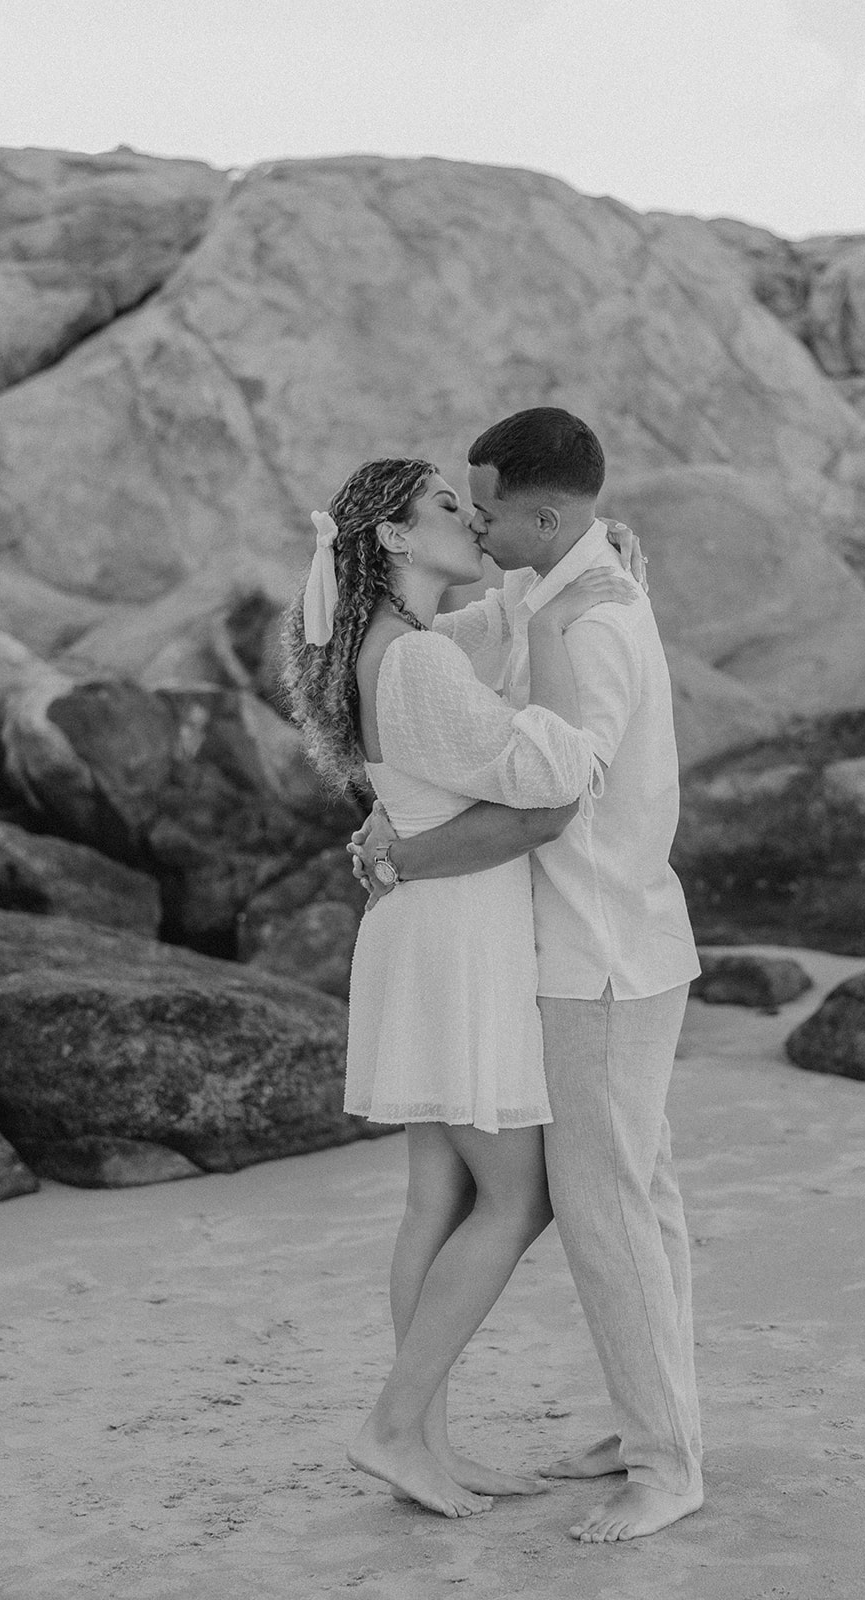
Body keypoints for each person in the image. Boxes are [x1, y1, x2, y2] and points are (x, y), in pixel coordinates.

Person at [351, 408, 704, 1544]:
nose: (477, 519)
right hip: (605, 946)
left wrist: (402, 853)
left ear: (545, 514)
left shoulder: (591, 619)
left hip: (595, 953)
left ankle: (665, 1461)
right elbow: (463, 650)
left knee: (606, 1212)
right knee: (635, 1201)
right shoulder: (556, 589)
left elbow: (557, 799)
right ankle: (651, 1424)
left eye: (489, 504)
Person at [280, 456, 636, 1521]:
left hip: (428, 926)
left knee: (439, 1196)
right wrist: (561, 622)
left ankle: (424, 1439)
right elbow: (553, 776)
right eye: (444, 504)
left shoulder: (405, 648)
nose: (469, 517)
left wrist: (562, 573)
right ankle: (395, 1420)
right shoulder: (419, 666)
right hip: (455, 938)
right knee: (517, 1196)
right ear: (391, 539)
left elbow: (486, 644)